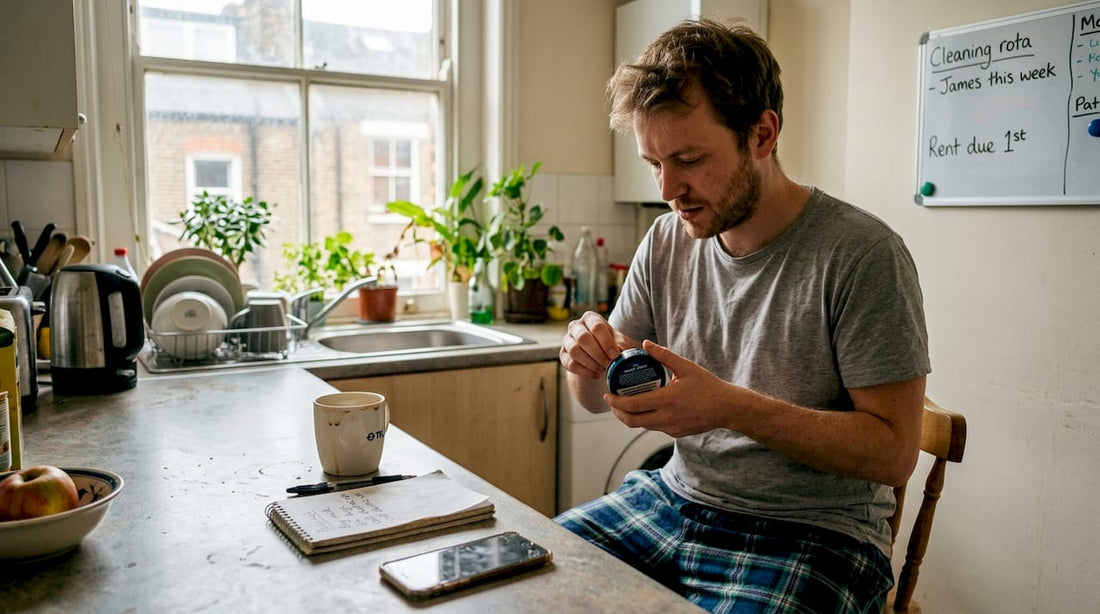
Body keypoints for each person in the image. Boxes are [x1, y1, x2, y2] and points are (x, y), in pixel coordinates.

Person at [556, 18, 930, 614]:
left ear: (762, 133)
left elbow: (892, 453)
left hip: (814, 534)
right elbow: (593, 397)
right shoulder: (665, 241)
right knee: (525, 580)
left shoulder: (861, 254)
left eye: (689, 158)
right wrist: (584, 359)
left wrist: (727, 406)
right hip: (672, 499)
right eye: (654, 163)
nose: (669, 188)